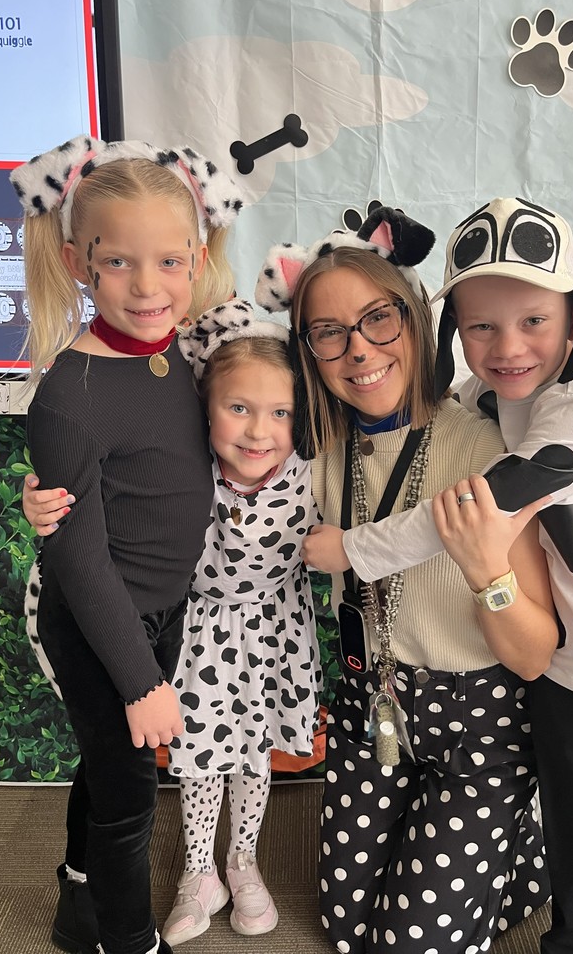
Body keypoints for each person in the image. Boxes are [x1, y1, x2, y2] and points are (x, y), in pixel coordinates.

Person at [320, 198, 573, 954]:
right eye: (480, 326)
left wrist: (353, 550)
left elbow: (479, 503)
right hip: (567, 667)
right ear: (455, 330)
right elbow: (457, 412)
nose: (506, 347)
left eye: (532, 321)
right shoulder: (495, 394)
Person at [255, 206, 559, 954]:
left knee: (408, 944)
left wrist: (487, 568)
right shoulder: (317, 449)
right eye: (329, 333)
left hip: (477, 719)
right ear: (308, 351)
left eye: (377, 320)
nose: (358, 350)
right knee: (345, 925)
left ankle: (525, 849)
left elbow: (531, 657)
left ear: (417, 322)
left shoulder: (486, 451)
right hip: (372, 703)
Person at [10, 134, 243, 954]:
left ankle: (79, 904)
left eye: (172, 262)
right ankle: (125, 938)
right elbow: (76, 558)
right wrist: (141, 679)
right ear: (78, 262)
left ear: (197, 257)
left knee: (106, 762)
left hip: (161, 611)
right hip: (98, 620)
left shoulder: (191, 351)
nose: (149, 287)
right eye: (119, 265)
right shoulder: (68, 395)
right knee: (131, 791)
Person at [161, 298, 321, 944]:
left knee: (255, 750)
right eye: (239, 409)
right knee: (201, 756)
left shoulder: (312, 475)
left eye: (280, 412)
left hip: (276, 634)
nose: (260, 431)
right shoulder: (181, 472)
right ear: (205, 408)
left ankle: (243, 859)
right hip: (202, 635)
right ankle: (200, 871)